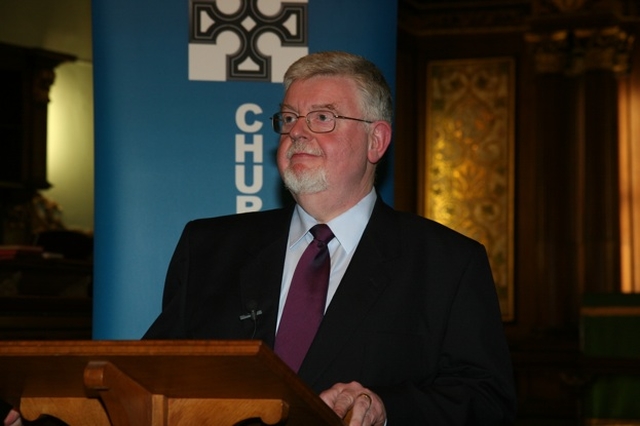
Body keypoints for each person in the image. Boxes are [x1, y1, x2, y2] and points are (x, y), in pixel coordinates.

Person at [144, 51, 517, 425]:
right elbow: (149, 380)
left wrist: (385, 410)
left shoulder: (448, 264)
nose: (297, 132)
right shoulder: (210, 249)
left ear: (376, 140)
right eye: (289, 118)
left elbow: (486, 401)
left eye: (323, 117)